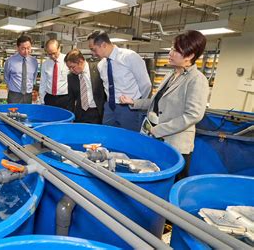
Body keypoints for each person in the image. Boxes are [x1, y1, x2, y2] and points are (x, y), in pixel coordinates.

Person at [120, 30, 209, 181]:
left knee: (173, 181)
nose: (171, 53)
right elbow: (157, 103)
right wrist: (134, 102)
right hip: (157, 137)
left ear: (189, 56)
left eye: (176, 50)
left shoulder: (197, 80)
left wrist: (159, 130)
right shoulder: (171, 75)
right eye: (172, 48)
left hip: (175, 143)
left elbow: (193, 115)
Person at [88, 31, 151, 131]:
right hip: (110, 108)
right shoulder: (101, 65)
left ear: (104, 45)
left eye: (93, 49)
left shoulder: (130, 57)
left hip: (129, 109)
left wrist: (137, 103)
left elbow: (146, 84)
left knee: (129, 140)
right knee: (107, 136)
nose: (93, 53)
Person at [65, 49, 105, 124]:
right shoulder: (71, 76)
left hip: (97, 112)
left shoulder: (98, 69)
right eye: (69, 68)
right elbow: (71, 98)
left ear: (80, 61)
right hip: (80, 113)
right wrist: (69, 117)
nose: (71, 70)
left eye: (73, 67)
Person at [4, 35, 38, 104]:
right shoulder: (10, 61)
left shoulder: (34, 61)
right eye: (23, 48)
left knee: (26, 113)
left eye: (28, 48)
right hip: (14, 94)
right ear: (17, 48)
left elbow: (34, 77)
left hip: (28, 95)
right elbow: (6, 77)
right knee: (12, 114)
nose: (26, 51)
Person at [39, 39, 70, 109]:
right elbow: (43, 83)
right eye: (49, 54)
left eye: (54, 53)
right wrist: (42, 100)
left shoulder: (68, 60)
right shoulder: (45, 64)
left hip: (65, 98)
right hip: (50, 98)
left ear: (59, 48)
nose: (52, 56)